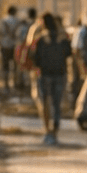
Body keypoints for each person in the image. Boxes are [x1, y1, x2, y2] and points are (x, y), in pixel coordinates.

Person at [30, 11, 72, 145]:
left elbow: (34, 58)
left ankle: (47, 130)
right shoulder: (62, 38)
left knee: (45, 103)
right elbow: (69, 53)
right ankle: (55, 129)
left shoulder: (40, 39)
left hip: (45, 75)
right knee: (57, 103)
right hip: (60, 73)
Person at [0, 5, 23, 93]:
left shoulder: (3, 21)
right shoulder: (18, 21)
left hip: (5, 45)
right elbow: (20, 34)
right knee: (15, 66)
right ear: (15, 12)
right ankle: (15, 83)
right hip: (15, 46)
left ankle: (6, 85)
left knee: (5, 66)